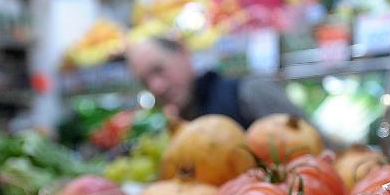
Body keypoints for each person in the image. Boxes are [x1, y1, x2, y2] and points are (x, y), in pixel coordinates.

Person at [125, 36, 307, 128]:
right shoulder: (181, 124)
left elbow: (319, 148)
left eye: (159, 70)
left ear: (183, 53)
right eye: (145, 81)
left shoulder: (249, 93)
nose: (156, 87)